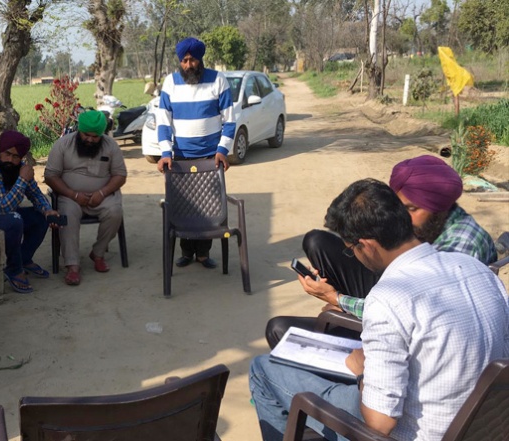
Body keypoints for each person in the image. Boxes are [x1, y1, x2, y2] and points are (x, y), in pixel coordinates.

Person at [249, 178, 509, 441]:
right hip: (480, 426)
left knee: (263, 368)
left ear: (367, 245)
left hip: (412, 432)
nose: (354, 255)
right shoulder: (477, 270)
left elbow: (379, 424)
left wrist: (363, 369)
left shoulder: (388, 298)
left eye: (351, 250)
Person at [265, 155, 498, 347]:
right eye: (399, 209)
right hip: (394, 302)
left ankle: (346, 326)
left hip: (401, 330)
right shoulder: (428, 230)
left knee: (279, 330)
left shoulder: (460, 248)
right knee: (317, 241)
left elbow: (412, 311)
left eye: (411, 209)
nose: (403, 218)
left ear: (439, 209)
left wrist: (336, 299)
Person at [155, 36, 236, 269]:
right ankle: (186, 252)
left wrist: (222, 150)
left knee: (208, 206)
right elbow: (163, 121)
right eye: (184, 60)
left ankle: (203, 253)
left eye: (192, 60)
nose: (188, 65)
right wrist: (165, 153)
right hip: (180, 157)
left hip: (210, 157)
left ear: (201, 59)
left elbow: (230, 120)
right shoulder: (170, 83)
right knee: (184, 205)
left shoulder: (218, 80)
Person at [0, 130, 60, 294]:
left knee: (40, 217)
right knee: (14, 220)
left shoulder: (20, 169)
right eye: (7, 154)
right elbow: (4, 207)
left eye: (15, 156)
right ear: (0, 151)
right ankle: (14, 269)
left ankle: (24, 259)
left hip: (5, 217)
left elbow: (36, 194)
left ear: (21, 157)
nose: (10, 160)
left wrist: (48, 210)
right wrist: (22, 180)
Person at [44, 110, 128, 286]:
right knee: (67, 215)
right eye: (86, 135)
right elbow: (51, 176)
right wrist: (73, 194)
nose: (90, 139)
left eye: (95, 136)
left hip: (102, 196)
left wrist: (102, 193)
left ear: (101, 134)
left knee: (115, 212)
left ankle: (98, 253)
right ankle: (72, 265)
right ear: (79, 130)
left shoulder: (111, 146)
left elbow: (120, 175)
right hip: (69, 195)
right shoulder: (63, 144)